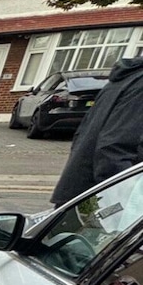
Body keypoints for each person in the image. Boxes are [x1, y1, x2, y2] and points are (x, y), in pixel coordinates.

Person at [50, 56, 143, 206]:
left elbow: (83, 134)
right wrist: (126, 205)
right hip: (98, 203)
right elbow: (114, 149)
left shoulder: (127, 78)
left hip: (81, 192)